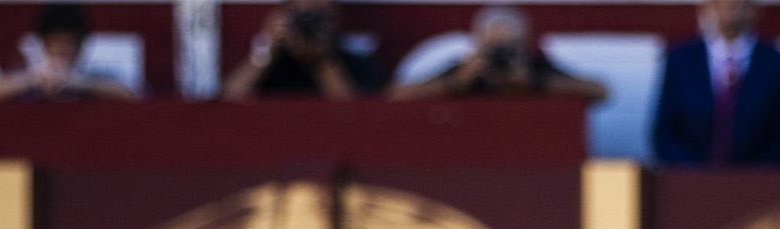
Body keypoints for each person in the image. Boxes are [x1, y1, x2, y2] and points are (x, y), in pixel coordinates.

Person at [652, 0, 780, 166]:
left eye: (740, 3)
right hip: (690, 182)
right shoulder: (680, 60)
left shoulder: (778, 65)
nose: (730, 7)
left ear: (754, 9)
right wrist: (695, 176)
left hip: (758, 184)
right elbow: (665, 132)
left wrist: (749, 182)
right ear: (708, 7)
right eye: (722, 3)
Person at [391, 6, 606, 100]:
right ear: (478, 45)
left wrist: (534, 83)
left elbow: (599, 90)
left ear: (524, 45)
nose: (501, 55)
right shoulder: (466, 70)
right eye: (494, 47)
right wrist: (455, 83)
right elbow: (396, 95)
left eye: (509, 48)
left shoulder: (536, 69)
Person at [222, 0, 384, 99]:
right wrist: (266, 46)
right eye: (302, 17)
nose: (308, 27)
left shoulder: (359, 63)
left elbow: (357, 117)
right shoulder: (271, 62)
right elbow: (229, 102)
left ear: (336, 18)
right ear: (284, 16)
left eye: (319, 17)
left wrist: (322, 63)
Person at [0, 4, 136, 102]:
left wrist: (78, 83)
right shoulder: (24, 76)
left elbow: (130, 96)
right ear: (44, 43)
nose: (63, 48)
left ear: (80, 45)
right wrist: (33, 81)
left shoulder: (93, 78)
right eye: (56, 41)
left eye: (70, 42)